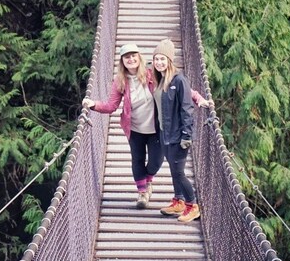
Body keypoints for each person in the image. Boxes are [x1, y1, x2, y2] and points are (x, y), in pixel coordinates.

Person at [82, 42, 210, 209]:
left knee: (156, 162)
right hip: (134, 128)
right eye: (127, 57)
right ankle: (142, 193)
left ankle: (148, 179)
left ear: (139, 57)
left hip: (156, 128)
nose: (131, 59)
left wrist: (199, 99)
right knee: (137, 159)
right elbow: (111, 106)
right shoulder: (120, 81)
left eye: (134, 56)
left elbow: (181, 87)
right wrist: (93, 104)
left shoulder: (152, 74)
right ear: (122, 61)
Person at [152, 38, 204, 222]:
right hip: (164, 134)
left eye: (162, 59)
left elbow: (186, 108)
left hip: (178, 135)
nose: (159, 62)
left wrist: (186, 136)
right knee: (174, 170)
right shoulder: (159, 80)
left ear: (170, 60)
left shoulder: (179, 80)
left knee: (179, 172)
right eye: (156, 59)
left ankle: (193, 205)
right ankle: (179, 201)